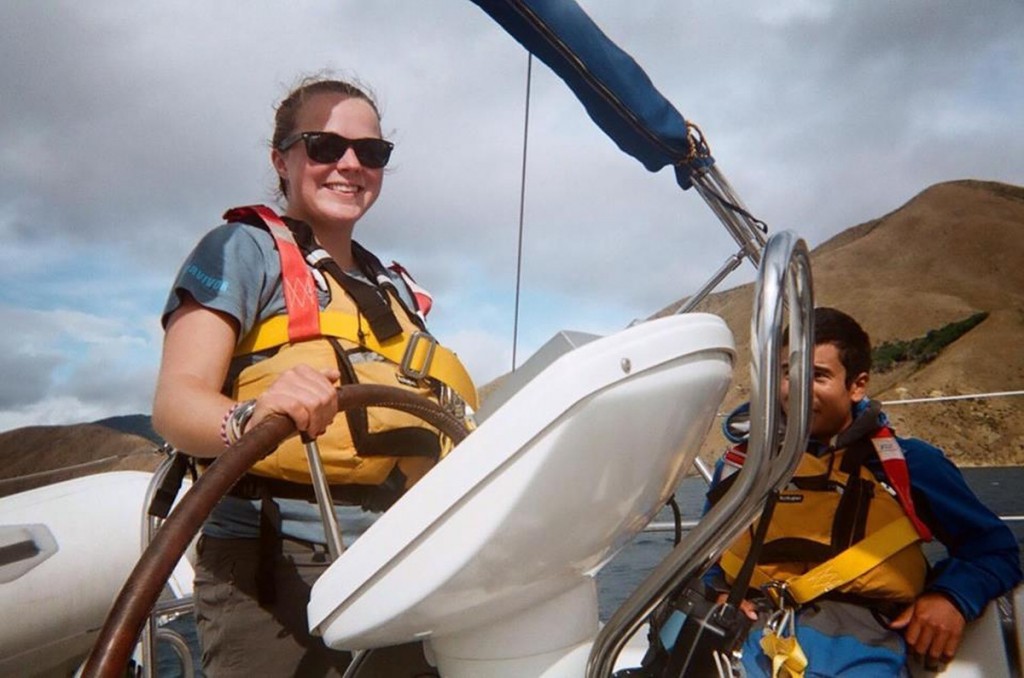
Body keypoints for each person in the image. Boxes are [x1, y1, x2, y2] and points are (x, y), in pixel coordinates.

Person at [153, 76, 475, 676]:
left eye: (371, 153)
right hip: (269, 565)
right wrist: (251, 416)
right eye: (324, 146)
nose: (350, 164)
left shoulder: (397, 288)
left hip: (399, 562)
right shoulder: (240, 251)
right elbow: (174, 403)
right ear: (282, 159)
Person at [698, 307, 1021, 676]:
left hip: (859, 652)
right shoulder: (743, 467)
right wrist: (718, 593)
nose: (798, 391)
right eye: (789, 373)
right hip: (748, 646)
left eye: (818, 376)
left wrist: (951, 596)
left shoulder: (908, 464)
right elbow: (702, 560)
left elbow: (994, 550)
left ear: (857, 385)